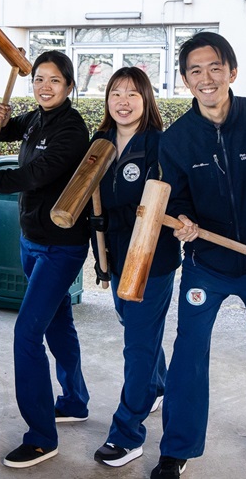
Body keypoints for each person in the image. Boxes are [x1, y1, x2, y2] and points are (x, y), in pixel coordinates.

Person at [152, 32, 246, 479]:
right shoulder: (177, 139)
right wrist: (184, 224)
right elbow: (176, 200)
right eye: (195, 71)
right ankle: (177, 449)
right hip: (209, 265)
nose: (206, 78)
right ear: (185, 80)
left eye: (215, 67)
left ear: (232, 72)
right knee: (189, 355)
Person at [0, 50, 91, 469]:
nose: (44, 86)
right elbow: (13, 130)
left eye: (54, 81)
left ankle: (42, 436)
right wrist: (1, 119)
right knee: (57, 323)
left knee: (26, 334)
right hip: (31, 240)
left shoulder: (73, 130)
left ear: (69, 86)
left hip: (62, 246)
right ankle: (75, 401)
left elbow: (35, 174)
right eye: (39, 79)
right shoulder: (38, 119)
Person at [89, 67, 181, 468]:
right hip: (115, 253)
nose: (123, 102)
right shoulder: (99, 144)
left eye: (132, 94)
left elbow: (178, 198)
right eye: (115, 94)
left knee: (138, 344)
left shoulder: (162, 144)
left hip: (151, 259)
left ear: (147, 100)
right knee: (135, 327)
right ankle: (156, 386)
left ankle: (127, 433)